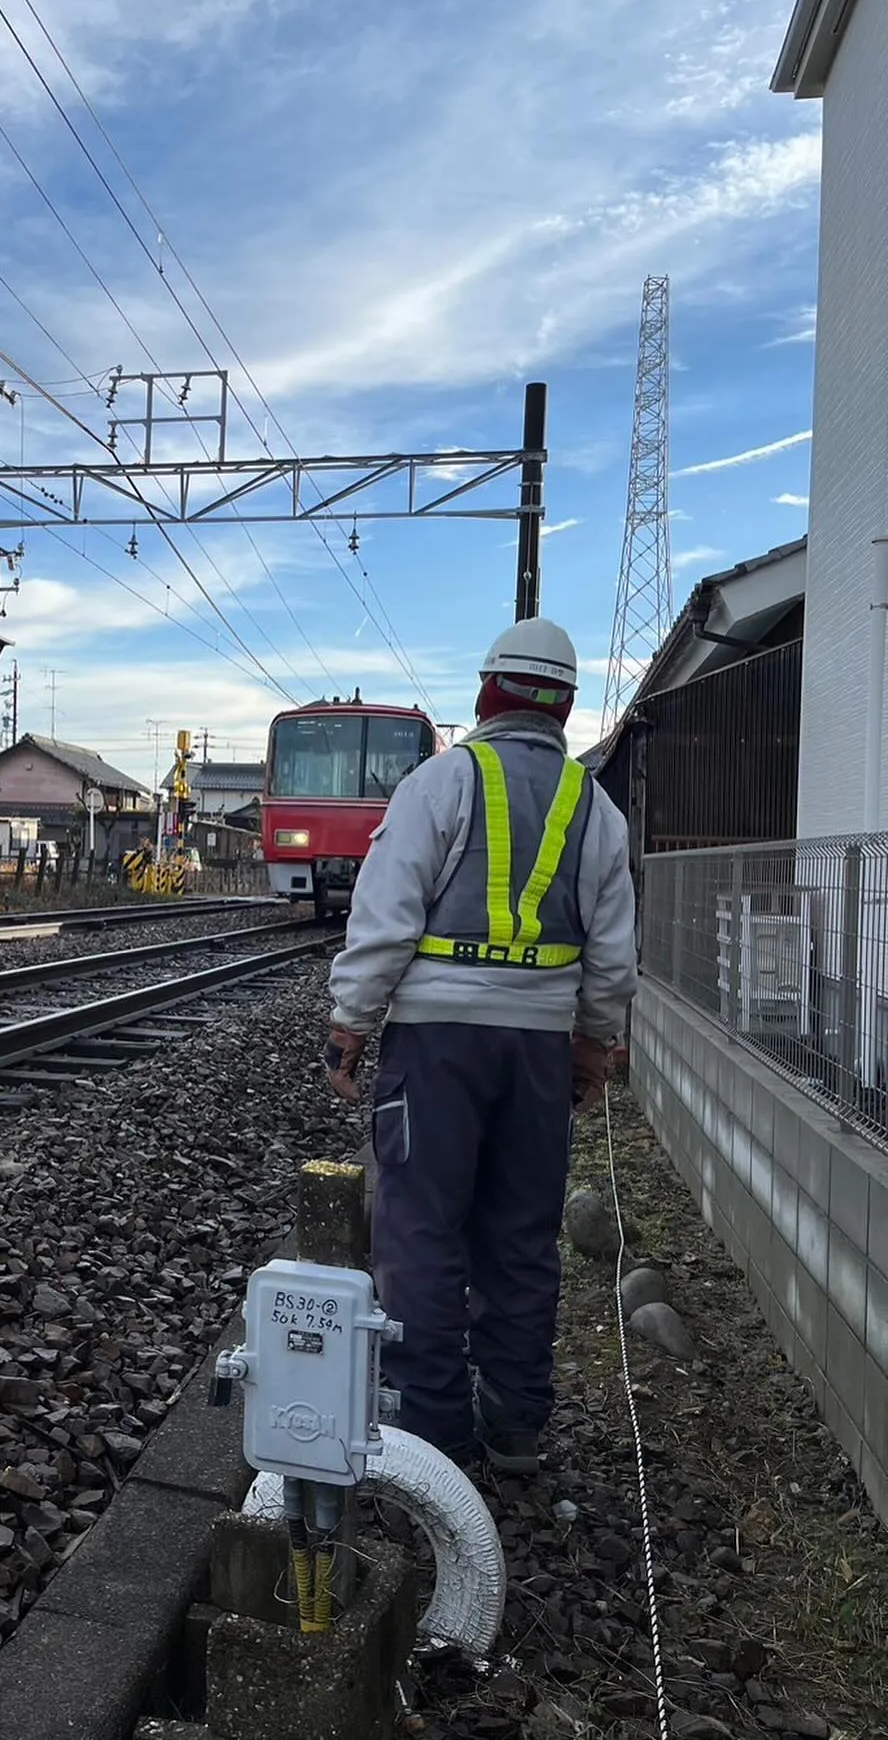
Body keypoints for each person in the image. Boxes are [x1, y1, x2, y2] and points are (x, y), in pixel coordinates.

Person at [322, 618, 637, 1475]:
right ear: (565, 706)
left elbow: (383, 919)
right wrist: (593, 1046)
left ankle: (431, 1433)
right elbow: (612, 957)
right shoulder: (594, 808)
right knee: (523, 1233)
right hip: (537, 1054)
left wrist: (351, 1023)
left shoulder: (440, 783)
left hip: (436, 1049)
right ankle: (514, 1424)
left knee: (421, 1229)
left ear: (486, 691)